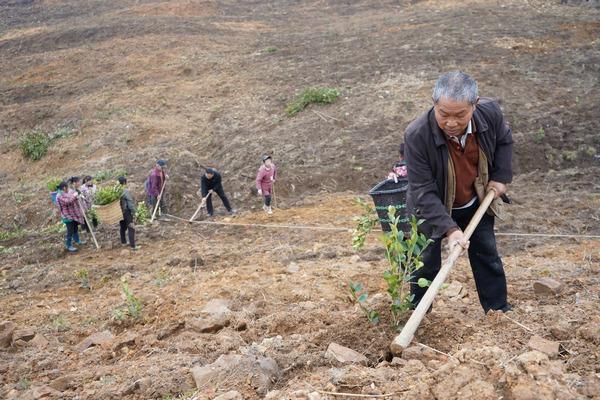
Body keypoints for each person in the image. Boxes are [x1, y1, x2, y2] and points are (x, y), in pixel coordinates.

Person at [404, 71, 513, 313]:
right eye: (443, 114)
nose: (451, 122)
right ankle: (418, 316)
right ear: (434, 105)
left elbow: (505, 140)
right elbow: (422, 190)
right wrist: (450, 229)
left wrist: (500, 177)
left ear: (474, 105)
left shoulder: (490, 113)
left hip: (475, 200)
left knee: (487, 255)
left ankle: (498, 311)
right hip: (430, 208)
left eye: (460, 115)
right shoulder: (417, 136)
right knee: (424, 265)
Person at [56, 181, 86, 252]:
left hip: (72, 214)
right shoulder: (59, 196)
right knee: (70, 231)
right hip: (67, 216)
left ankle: (77, 240)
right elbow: (68, 201)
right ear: (64, 188)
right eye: (67, 187)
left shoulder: (66, 193)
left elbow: (72, 193)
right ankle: (68, 245)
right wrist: (75, 195)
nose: (68, 189)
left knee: (75, 227)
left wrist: (76, 192)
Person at [118, 176, 139, 250]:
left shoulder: (116, 190)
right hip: (126, 212)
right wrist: (134, 212)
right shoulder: (125, 191)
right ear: (124, 182)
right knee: (131, 228)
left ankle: (123, 242)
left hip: (119, 212)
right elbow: (130, 203)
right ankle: (133, 246)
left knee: (123, 227)